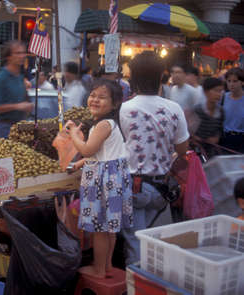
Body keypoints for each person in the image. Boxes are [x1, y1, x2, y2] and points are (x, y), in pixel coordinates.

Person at [120, 52, 189, 265]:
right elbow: (182, 148)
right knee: (156, 243)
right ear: (161, 76)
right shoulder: (174, 108)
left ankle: (138, 284)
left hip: (134, 187)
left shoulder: (126, 108)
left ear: (133, 77)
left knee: (135, 243)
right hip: (162, 189)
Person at [65, 79, 132, 278]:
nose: (95, 100)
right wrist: (81, 162)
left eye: (102, 97)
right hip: (113, 177)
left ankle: (99, 270)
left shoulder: (103, 125)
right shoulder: (108, 124)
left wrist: (74, 134)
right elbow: (100, 154)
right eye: (93, 95)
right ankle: (108, 266)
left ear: (115, 103)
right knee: (110, 229)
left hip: (104, 181)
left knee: (100, 229)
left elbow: (88, 148)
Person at [0, 40, 34, 138]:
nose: (22, 56)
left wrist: (28, 105)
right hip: (5, 129)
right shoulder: (1, 77)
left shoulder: (20, 77)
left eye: (23, 52)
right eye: (18, 53)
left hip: (21, 128)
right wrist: (17, 106)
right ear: (9, 57)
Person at [192, 78, 224, 159]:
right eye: (216, 90)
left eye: (220, 91)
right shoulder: (197, 110)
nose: (219, 94)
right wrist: (195, 138)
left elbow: (219, 129)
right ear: (206, 92)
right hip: (196, 153)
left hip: (212, 152)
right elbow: (188, 132)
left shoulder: (221, 111)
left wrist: (216, 138)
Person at [169, 64, 200, 133]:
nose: (175, 75)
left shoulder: (192, 91)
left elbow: (197, 113)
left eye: (178, 72)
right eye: (173, 72)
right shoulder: (173, 89)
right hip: (174, 128)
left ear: (185, 74)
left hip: (187, 131)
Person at [220, 67, 244, 153]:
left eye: (235, 81)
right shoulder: (223, 97)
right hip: (225, 139)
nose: (231, 84)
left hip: (241, 140)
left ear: (242, 82)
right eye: (229, 81)